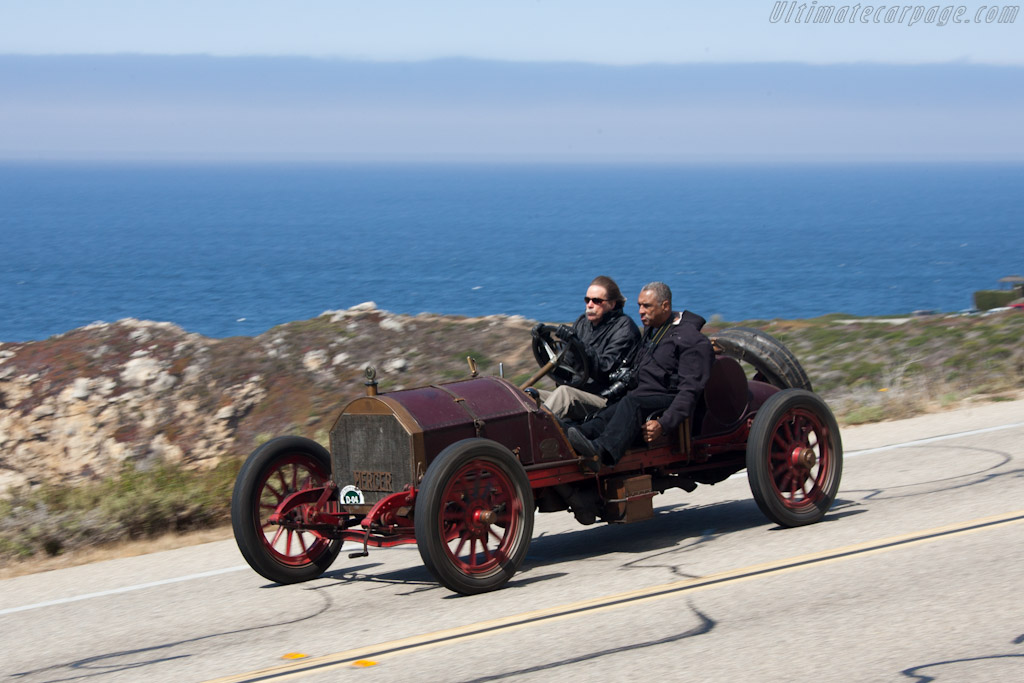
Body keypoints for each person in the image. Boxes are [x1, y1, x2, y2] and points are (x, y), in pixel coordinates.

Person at [567, 281, 714, 471]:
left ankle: (601, 452)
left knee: (630, 403)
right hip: (640, 397)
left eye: (647, 306)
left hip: (666, 400)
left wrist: (663, 424)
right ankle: (572, 436)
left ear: (665, 306)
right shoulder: (653, 332)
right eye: (639, 306)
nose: (640, 311)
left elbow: (689, 392)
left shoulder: (690, 340)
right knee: (608, 412)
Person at [537, 275, 641, 421]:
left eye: (596, 301)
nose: (590, 305)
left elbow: (604, 370)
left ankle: (533, 431)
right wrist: (545, 347)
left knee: (564, 394)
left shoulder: (625, 329)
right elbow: (565, 369)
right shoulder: (582, 323)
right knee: (528, 395)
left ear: (612, 304)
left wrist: (578, 344)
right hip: (578, 391)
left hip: (604, 399)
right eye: (587, 300)